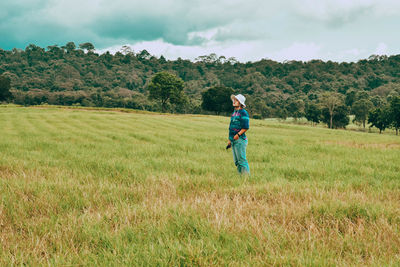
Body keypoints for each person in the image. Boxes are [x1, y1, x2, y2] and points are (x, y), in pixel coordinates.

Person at [227, 94, 250, 175]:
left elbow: (246, 127)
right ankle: (241, 177)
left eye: (236, 100)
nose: (234, 101)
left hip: (240, 140)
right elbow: (231, 127)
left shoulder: (243, 113)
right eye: (234, 100)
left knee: (242, 161)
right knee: (237, 161)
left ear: (240, 103)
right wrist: (229, 140)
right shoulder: (234, 113)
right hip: (233, 139)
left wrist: (238, 135)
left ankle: (246, 178)